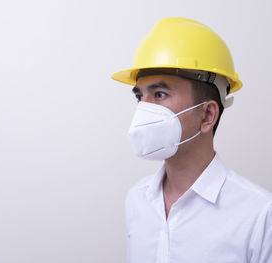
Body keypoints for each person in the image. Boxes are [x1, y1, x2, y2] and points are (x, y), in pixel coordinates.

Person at [111, 17, 272, 263]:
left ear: (207, 115)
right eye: (139, 96)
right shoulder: (137, 200)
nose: (143, 110)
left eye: (160, 94)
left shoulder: (259, 215)